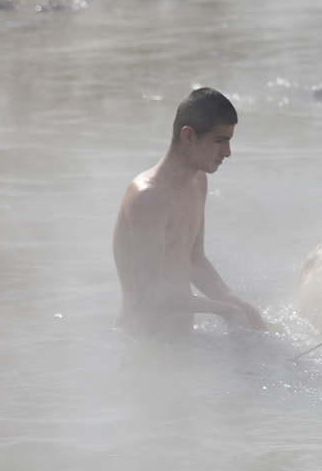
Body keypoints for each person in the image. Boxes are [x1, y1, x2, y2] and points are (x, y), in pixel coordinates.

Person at [112, 87, 267, 335]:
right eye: (219, 141)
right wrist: (222, 310)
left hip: (182, 340)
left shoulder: (198, 180)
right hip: (142, 344)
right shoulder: (148, 197)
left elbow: (194, 260)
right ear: (188, 136)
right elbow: (149, 292)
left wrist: (237, 304)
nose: (227, 152)